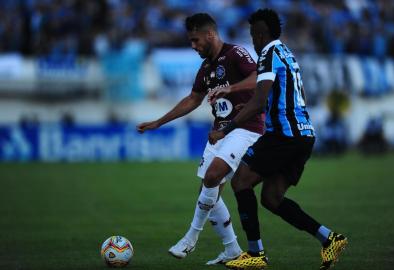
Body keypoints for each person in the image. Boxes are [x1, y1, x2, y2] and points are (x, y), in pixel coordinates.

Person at [209, 9, 348, 270]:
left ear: (260, 34)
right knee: (272, 198)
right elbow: (294, 93)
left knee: (241, 182)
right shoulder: (287, 53)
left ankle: (255, 254)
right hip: (304, 134)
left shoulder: (268, 54)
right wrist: (255, 108)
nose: (252, 40)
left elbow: (260, 99)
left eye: (253, 35)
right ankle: (329, 238)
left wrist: (224, 129)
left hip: (284, 135)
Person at [137, 13, 264, 265]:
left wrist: (232, 88)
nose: (193, 46)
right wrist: (159, 122)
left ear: (210, 34)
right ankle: (232, 250)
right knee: (209, 193)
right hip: (219, 132)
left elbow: (258, 78)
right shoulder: (206, 68)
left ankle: (190, 237)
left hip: (246, 127)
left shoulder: (236, 53)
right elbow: (193, 99)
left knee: (212, 177)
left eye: (195, 40)